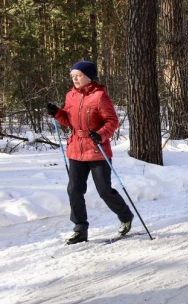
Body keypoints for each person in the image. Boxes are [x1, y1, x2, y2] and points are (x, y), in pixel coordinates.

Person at [46, 61, 134, 244]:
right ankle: (80, 229)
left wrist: (100, 135)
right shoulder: (70, 95)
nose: (74, 79)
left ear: (88, 76)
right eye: (72, 76)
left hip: (97, 150)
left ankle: (125, 216)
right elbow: (69, 121)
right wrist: (57, 113)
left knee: (104, 191)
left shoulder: (100, 96)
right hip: (76, 150)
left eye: (78, 75)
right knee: (74, 190)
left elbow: (112, 121)